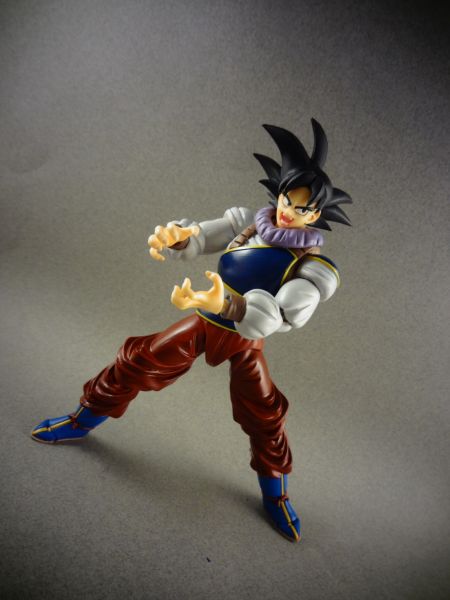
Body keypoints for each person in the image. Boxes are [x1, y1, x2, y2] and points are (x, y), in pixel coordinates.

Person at [31, 119, 352, 542]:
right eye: (287, 199)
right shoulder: (247, 225)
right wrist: (178, 238)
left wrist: (229, 305)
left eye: (303, 208)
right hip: (205, 322)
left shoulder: (314, 266)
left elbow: (285, 315)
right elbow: (202, 235)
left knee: (264, 414)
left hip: (245, 338)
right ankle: (80, 421)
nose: (289, 211)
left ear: (317, 215)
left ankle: (276, 495)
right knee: (139, 360)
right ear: (278, 193)